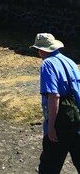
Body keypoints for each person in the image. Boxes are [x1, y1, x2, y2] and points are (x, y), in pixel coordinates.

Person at [31, 33, 80, 173]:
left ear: (41, 50)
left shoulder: (47, 64)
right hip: (77, 118)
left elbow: (54, 96)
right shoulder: (70, 61)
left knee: (49, 165)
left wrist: (51, 126)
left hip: (61, 121)